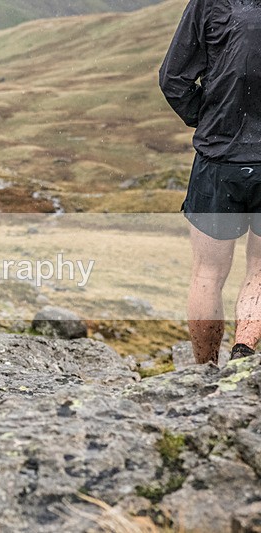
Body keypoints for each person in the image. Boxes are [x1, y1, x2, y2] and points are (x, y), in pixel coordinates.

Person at [159, 0, 261, 364]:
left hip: (218, 161)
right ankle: (243, 357)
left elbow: (173, 79)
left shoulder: (209, 3)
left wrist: (209, 117)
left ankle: (204, 373)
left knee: (208, 273)